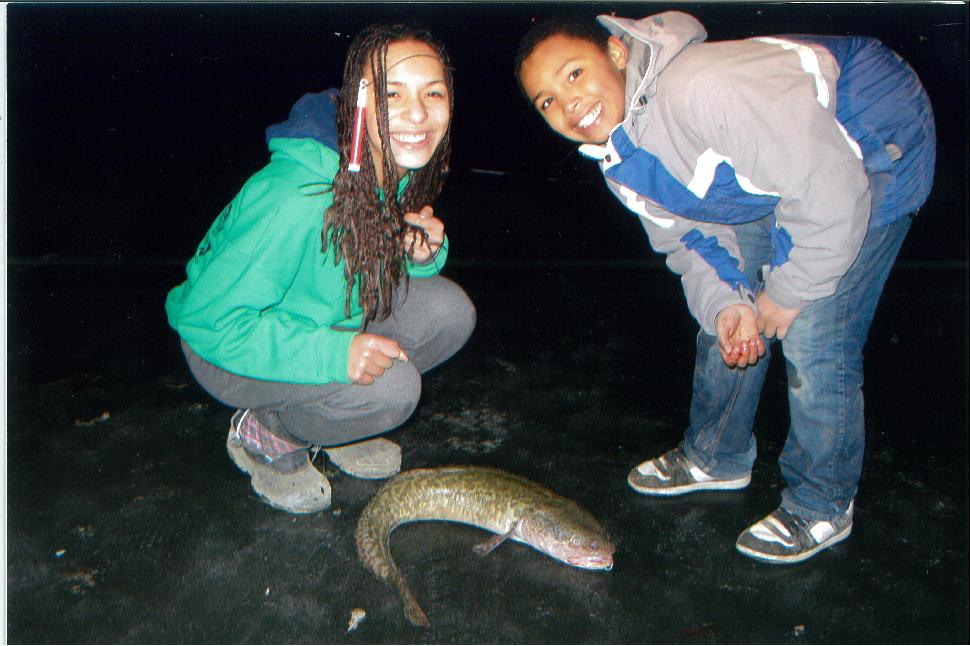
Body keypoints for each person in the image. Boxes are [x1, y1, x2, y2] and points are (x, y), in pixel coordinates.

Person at [515, 11, 934, 563]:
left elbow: (830, 186)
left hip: (869, 130)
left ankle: (823, 503)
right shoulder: (619, 161)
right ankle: (717, 455)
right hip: (786, 160)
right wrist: (729, 304)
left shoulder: (699, 89)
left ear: (617, 53)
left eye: (573, 73)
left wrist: (789, 291)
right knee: (730, 316)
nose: (567, 104)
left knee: (813, 330)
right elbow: (690, 240)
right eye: (546, 100)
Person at [166, 23, 476, 514]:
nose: (418, 114)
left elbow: (348, 263)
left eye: (432, 93)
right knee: (394, 389)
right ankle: (266, 434)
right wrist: (335, 356)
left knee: (450, 311)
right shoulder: (296, 195)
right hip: (227, 347)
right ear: (359, 103)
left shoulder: (381, 166)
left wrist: (417, 253)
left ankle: (336, 421)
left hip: (321, 317)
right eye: (392, 93)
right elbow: (207, 322)